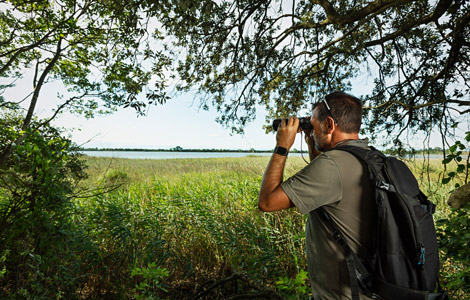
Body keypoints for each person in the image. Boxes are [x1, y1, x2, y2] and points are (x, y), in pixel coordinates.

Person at [258, 91, 376, 300]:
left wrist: (282, 147)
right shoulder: (371, 158)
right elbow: (328, 191)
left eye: (313, 123)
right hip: (368, 290)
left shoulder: (332, 166)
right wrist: (314, 145)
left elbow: (267, 202)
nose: (310, 129)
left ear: (330, 125)